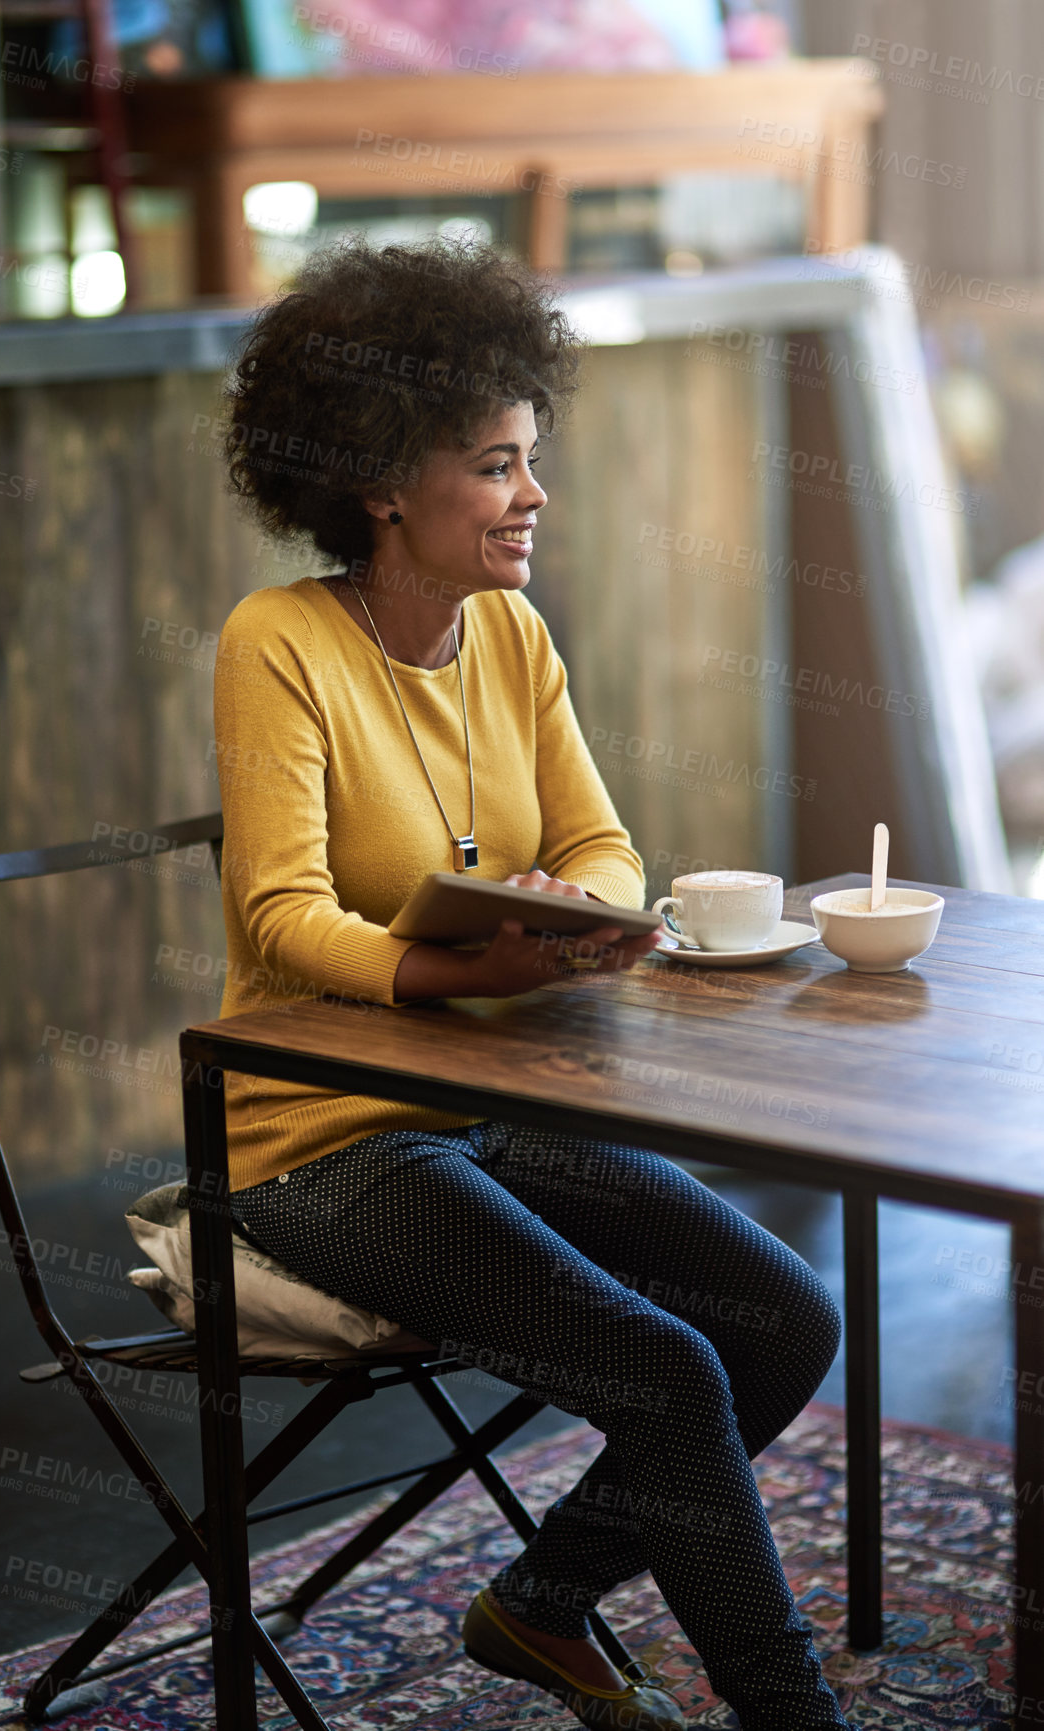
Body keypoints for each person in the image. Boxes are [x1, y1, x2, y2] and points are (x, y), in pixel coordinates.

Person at [213, 235, 850, 1731]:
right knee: (668, 1371)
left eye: (530, 458)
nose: (533, 497)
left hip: (492, 1095)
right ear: (383, 482)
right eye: (496, 466)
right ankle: (793, 1714)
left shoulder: (512, 635)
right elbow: (281, 914)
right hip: (319, 1135)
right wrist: (453, 971)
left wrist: (589, 917)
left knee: (785, 1321)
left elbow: (604, 842)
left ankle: (539, 1607)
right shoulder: (278, 643)